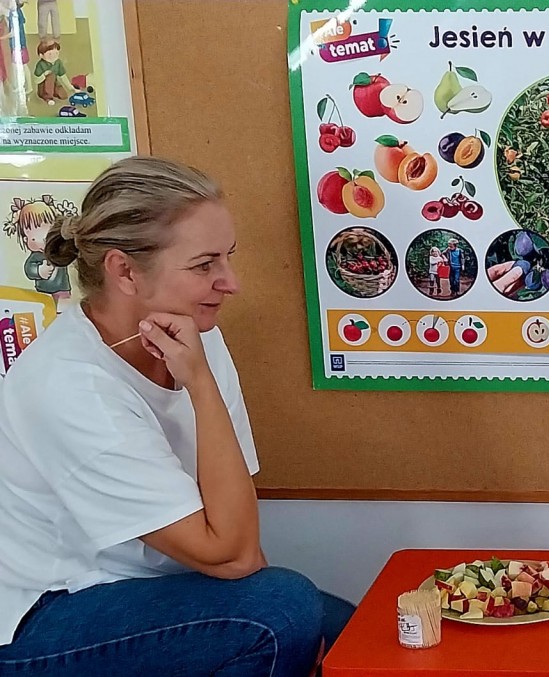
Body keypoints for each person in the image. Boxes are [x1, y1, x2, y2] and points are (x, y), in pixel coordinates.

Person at [0, 156, 355, 675]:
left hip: (159, 584)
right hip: (46, 613)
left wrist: (198, 373)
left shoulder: (191, 331)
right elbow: (233, 556)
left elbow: (236, 531)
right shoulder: (69, 385)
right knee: (280, 611)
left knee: (351, 629)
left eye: (228, 257)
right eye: (205, 265)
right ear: (124, 271)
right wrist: (201, 385)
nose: (230, 282)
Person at [33, 39, 74, 105]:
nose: (53, 56)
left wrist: (70, 87)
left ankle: (53, 92)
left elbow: (62, 76)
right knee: (51, 76)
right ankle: (48, 97)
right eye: (50, 54)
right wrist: (44, 75)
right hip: (43, 87)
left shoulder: (58, 62)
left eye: (56, 53)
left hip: (54, 83)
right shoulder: (40, 64)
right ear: (41, 55)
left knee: (63, 95)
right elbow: (36, 80)